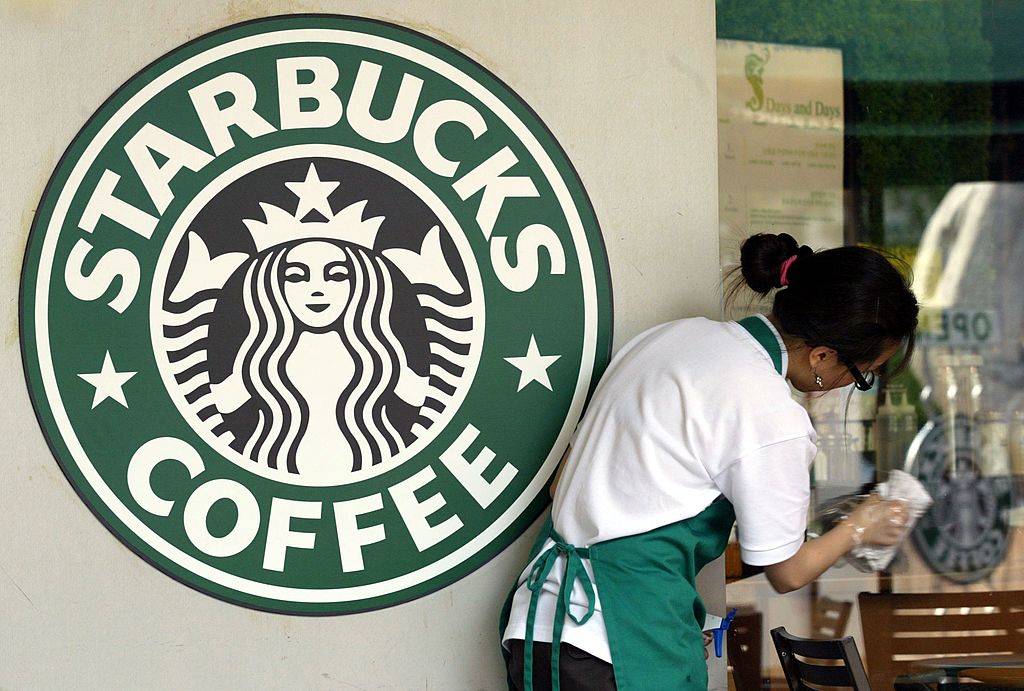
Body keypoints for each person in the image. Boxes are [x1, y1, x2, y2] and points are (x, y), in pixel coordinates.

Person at [498, 232, 919, 690]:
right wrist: (861, 526)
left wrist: (667, 618)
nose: (850, 385)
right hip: (617, 649)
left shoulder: (669, 338)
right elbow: (787, 570)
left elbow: (567, 486)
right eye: (862, 375)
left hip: (539, 626)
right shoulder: (770, 412)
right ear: (822, 355)